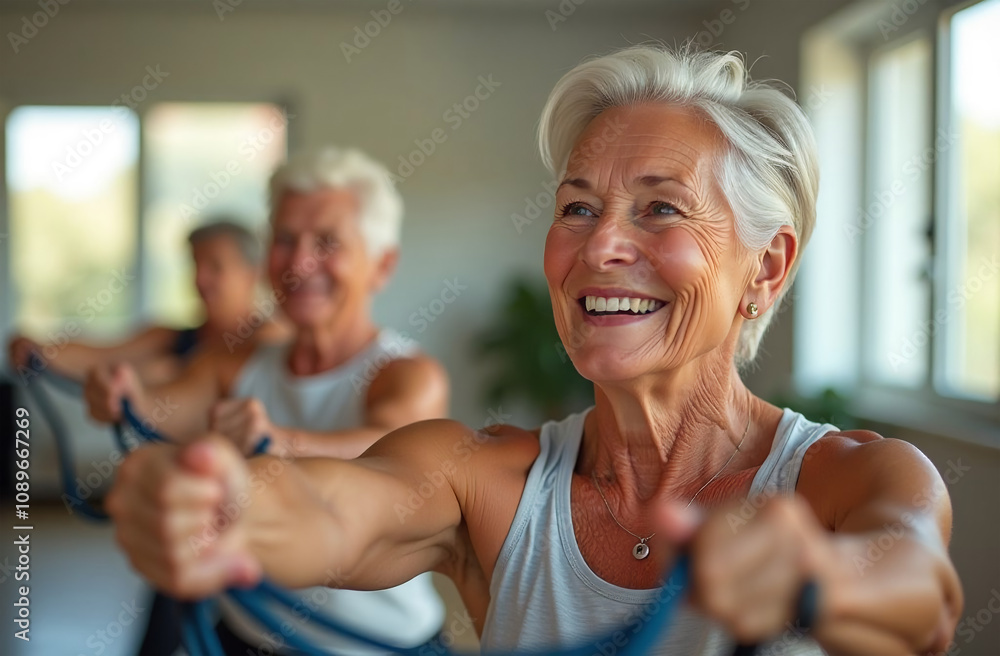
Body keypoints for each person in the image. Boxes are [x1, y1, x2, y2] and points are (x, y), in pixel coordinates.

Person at [104, 47, 963, 655]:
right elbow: (336, 511)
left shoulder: (854, 479)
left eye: (660, 209)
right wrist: (215, 500)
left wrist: (820, 573)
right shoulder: (487, 476)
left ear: (766, 268)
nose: (599, 248)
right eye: (578, 208)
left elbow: (921, 590)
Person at [85, 148, 450, 654]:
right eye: (284, 240)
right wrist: (122, 395)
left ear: (382, 265)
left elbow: (385, 454)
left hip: (379, 645)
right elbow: (161, 409)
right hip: (248, 635)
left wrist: (278, 442)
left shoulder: (407, 375)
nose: (299, 263)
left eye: (326, 242)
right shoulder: (237, 360)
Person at [7, 219, 290, 385]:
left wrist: (165, 375)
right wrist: (38, 349)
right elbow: (102, 355)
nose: (200, 279)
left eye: (215, 267)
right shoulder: (170, 337)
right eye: (195, 265)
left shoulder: (273, 340)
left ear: (252, 274)